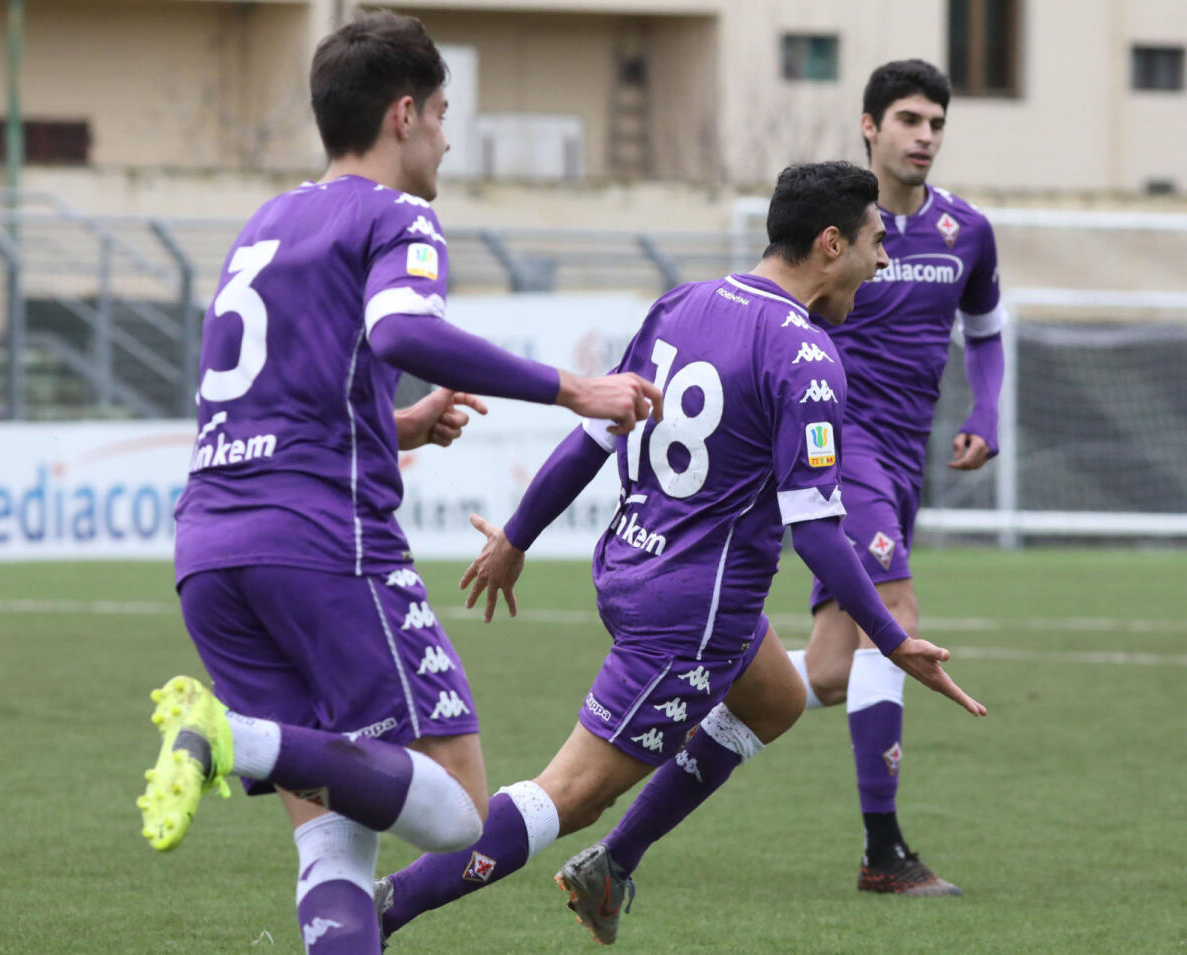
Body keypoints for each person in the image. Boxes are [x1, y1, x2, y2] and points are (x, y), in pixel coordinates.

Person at [135, 12, 660, 955]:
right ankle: (228, 737)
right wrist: (575, 387)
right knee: (458, 808)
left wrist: (399, 423)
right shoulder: (396, 215)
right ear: (405, 114)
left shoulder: (265, 224)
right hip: (318, 542)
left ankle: (239, 741)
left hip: (210, 548)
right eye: (445, 115)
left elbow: (273, 390)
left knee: (334, 843)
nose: (449, 140)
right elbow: (402, 332)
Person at [373, 161, 986, 948]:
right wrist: (892, 638)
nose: (882, 261)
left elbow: (594, 437)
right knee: (571, 792)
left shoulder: (683, 302)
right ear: (831, 244)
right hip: (693, 612)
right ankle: (386, 906)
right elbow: (816, 534)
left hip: (634, 567)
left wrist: (518, 538)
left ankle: (613, 864)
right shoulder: (807, 356)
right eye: (875, 243)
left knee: (775, 698)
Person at [781, 59, 1007, 897]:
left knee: (830, 670)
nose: (925, 136)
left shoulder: (967, 231)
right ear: (870, 126)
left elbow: (986, 331)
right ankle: (884, 852)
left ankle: (692, 692)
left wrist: (986, 411)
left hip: (904, 458)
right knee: (897, 620)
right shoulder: (834, 229)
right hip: (841, 444)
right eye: (909, 119)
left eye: (937, 123)